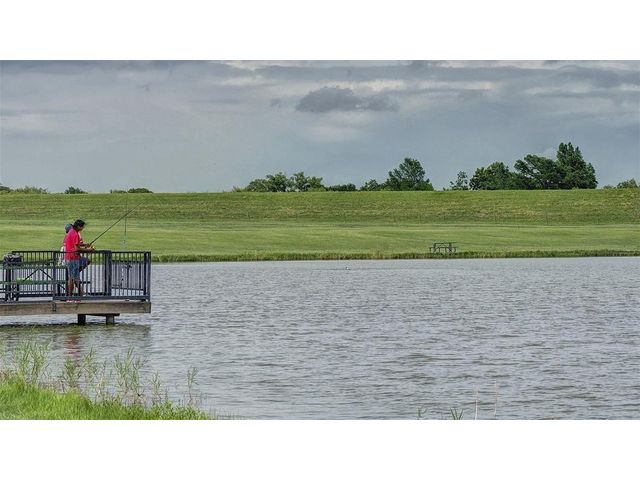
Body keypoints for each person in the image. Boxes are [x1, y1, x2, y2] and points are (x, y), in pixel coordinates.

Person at [63, 219, 94, 300]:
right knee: (72, 278)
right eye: (82, 226)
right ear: (78, 226)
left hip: (71, 257)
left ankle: (78, 296)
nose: (83, 228)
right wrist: (88, 250)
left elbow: (77, 244)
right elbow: (77, 249)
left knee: (74, 277)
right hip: (72, 258)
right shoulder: (75, 234)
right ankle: (69, 297)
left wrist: (85, 245)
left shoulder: (72, 232)